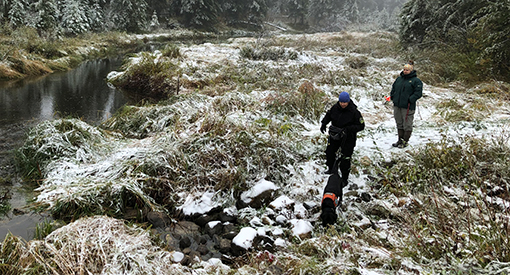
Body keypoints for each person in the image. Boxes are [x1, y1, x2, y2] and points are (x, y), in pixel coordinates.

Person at [320, 91, 365, 186]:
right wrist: (324, 123)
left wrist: (348, 129)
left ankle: (344, 178)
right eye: (341, 102)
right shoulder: (335, 108)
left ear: (348, 102)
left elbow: (361, 126)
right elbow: (328, 115)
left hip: (348, 137)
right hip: (335, 135)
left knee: (345, 157)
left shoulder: (354, 112)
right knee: (329, 152)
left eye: (344, 102)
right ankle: (331, 169)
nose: (342, 104)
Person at [390, 60, 423, 148]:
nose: (405, 71)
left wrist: (410, 99)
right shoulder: (399, 79)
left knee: (407, 124)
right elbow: (393, 88)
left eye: (407, 70)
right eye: (404, 69)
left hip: (408, 106)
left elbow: (418, 93)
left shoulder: (416, 81)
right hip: (397, 104)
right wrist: (392, 96)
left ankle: (405, 141)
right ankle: (399, 140)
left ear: (411, 70)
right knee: (399, 123)